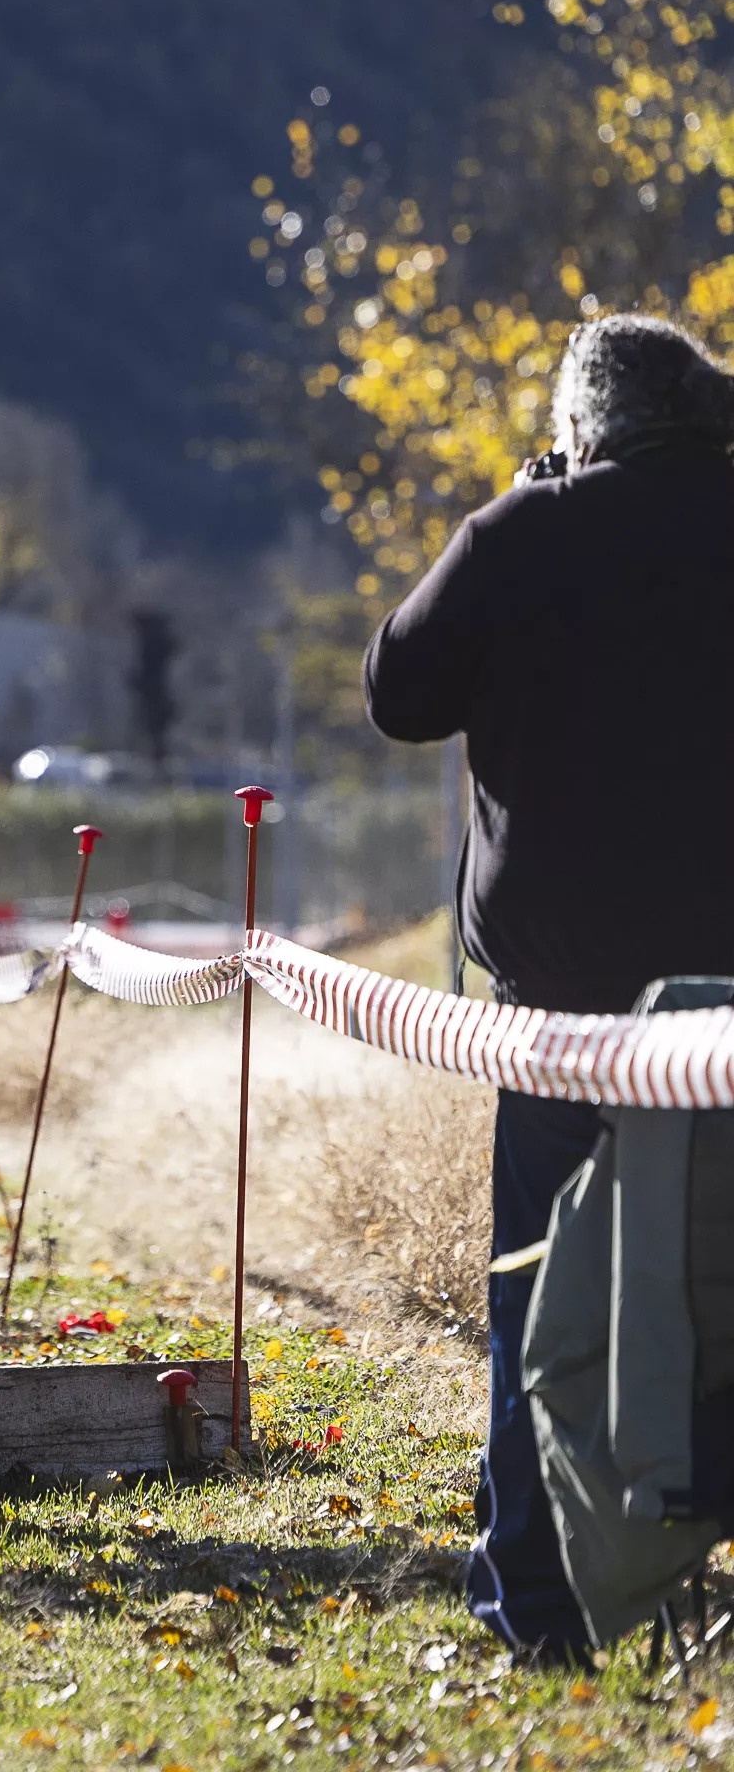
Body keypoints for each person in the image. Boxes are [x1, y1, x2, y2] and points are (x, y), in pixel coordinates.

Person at [365, 311, 734, 1669]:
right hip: (733, 1010)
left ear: (581, 426)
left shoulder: (524, 534)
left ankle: (536, 1605)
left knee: (537, 1292)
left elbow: (400, 690)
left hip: (566, 1004)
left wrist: (518, 507)